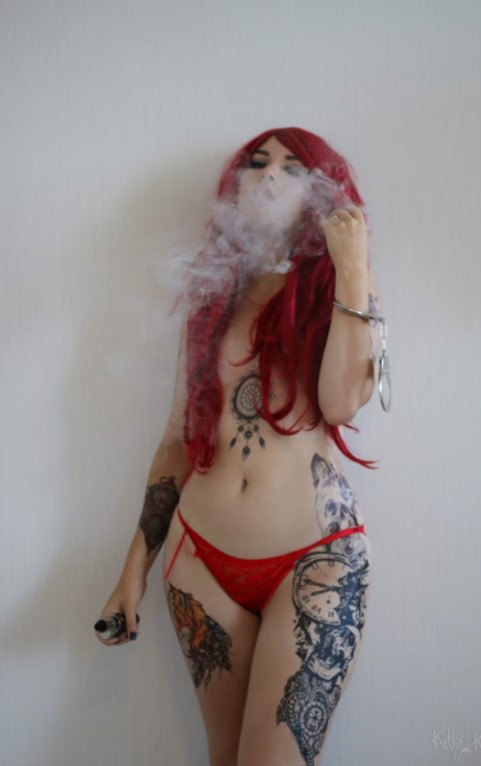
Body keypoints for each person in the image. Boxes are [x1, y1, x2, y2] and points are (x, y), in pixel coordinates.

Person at [96, 126, 388, 766]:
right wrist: (132, 571)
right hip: (199, 560)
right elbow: (176, 443)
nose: (269, 174)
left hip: (315, 561)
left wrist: (352, 267)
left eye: (292, 167)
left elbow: (341, 404)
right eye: (257, 163)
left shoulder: (344, 290)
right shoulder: (213, 297)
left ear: (321, 193)